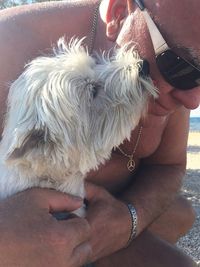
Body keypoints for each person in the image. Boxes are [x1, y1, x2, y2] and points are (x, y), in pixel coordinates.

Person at [0, 0, 200, 266]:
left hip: (98, 216)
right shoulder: (8, 45)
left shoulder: (174, 73)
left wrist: (129, 219)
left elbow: (169, 165)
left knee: (181, 213)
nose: (193, 101)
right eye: (180, 66)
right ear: (119, 12)